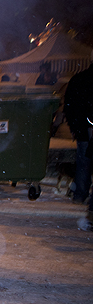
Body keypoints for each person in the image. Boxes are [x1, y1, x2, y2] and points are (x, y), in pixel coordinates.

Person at [63, 64, 93, 206]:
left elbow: (69, 105)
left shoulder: (78, 80)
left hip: (82, 128)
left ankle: (80, 194)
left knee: (83, 162)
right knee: (84, 162)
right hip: (85, 127)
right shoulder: (81, 80)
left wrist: (74, 127)